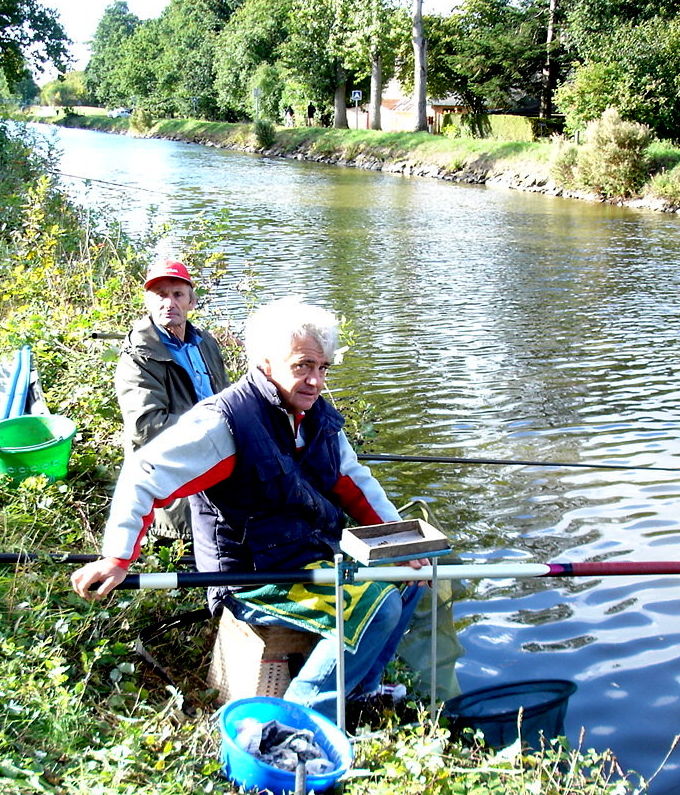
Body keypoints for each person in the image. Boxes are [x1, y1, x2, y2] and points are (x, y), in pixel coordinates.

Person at [72, 298, 425, 718]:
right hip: (253, 576)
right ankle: (296, 720)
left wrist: (399, 542)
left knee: (409, 578)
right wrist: (116, 556)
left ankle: (360, 690)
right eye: (302, 366)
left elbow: (355, 484)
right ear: (265, 361)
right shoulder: (224, 422)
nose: (315, 380)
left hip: (308, 558)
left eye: (322, 368)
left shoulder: (316, 417)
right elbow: (144, 474)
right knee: (374, 607)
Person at [116, 259, 230, 541]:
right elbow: (146, 426)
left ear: (192, 301)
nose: (169, 303)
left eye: (177, 295)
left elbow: (227, 400)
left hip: (217, 462)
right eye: (160, 295)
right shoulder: (137, 356)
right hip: (172, 479)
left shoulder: (205, 342)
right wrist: (218, 436)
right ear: (148, 302)